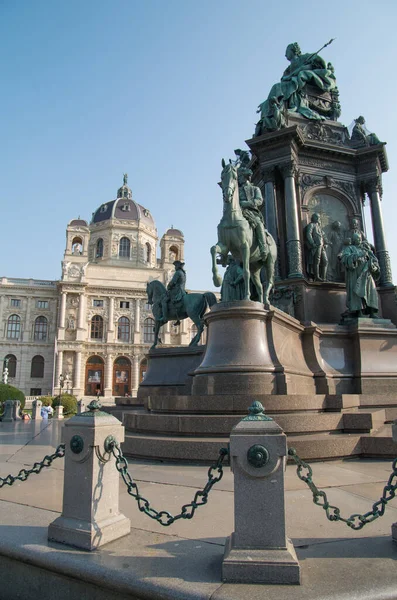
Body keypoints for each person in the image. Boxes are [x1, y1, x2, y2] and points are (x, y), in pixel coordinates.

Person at [256, 42, 336, 131]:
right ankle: (272, 108)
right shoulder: (289, 68)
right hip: (292, 84)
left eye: (287, 51)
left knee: (292, 80)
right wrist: (290, 76)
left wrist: (297, 72)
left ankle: (275, 108)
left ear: (293, 51)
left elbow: (318, 63)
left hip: (301, 82)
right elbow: (284, 78)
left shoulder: (305, 57)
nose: (285, 54)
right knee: (277, 86)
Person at [339, 233, 380, 317]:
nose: (359, 240)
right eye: (356, 238)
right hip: (355, 274)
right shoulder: (349, 248)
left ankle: (372, 312)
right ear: (353, 240)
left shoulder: (366, 250)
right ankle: (359, 312)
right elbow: (345, 259)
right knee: (356, 293)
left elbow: (374, 261)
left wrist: (374, 266)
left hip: (367, 273)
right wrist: (357, 256)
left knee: (370, 292)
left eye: (359, 238)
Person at [237, 166, 268, 261]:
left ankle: (263, 248)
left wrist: (245, 203)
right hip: (239, 213)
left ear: (245, 177)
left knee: (258, 224)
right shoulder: (237, 190)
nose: (239, 179)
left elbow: (259, 200)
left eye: (240, 176)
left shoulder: (255, 189)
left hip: (252, 212)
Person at [304, 213, 328, 281]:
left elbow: (324, 236)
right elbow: (308, 234)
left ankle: (324, 277)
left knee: (325, 261)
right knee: (316, 261)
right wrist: (312, 243)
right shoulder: (311, 225)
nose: (318, 218)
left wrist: (326, 243)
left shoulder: (319, 227)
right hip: (316, 246)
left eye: (318, 217)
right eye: (316, 217)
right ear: (313, 218)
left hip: (322, 246)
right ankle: (317, 277)